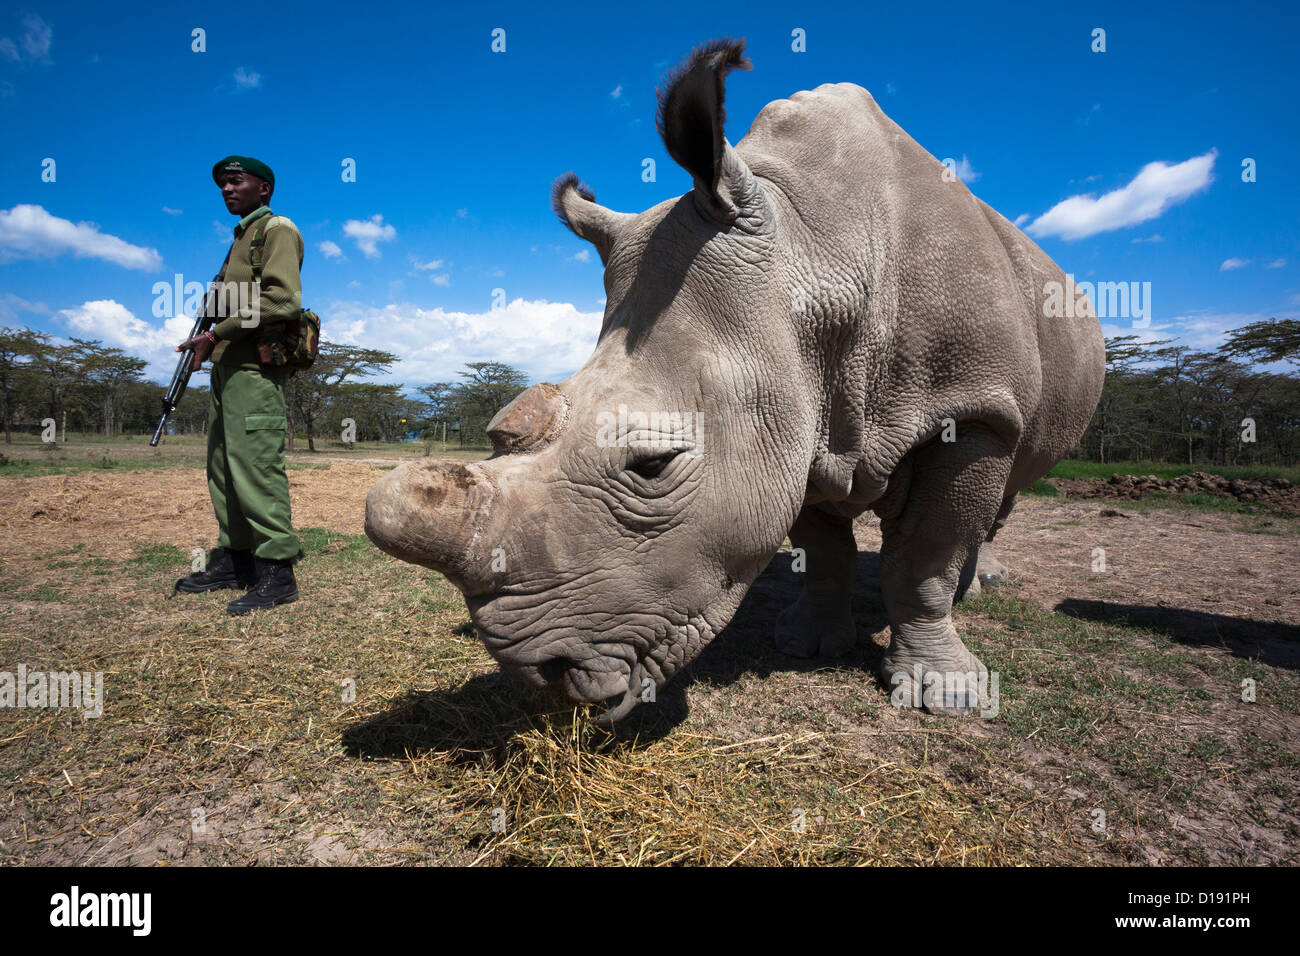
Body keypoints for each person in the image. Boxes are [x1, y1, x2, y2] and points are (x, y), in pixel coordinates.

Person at [173, 155, 303, 614]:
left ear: (263, 188)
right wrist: (208, 345)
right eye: (222, 184)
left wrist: (216, 333)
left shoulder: (277, 229)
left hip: (254, 370)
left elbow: (283, 300)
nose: (227, 189)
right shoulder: (238, 240)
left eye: (236, 181)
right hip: (226, 369)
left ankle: (277, 572)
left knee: (256, 468)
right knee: (223, 469)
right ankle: (235, 560)